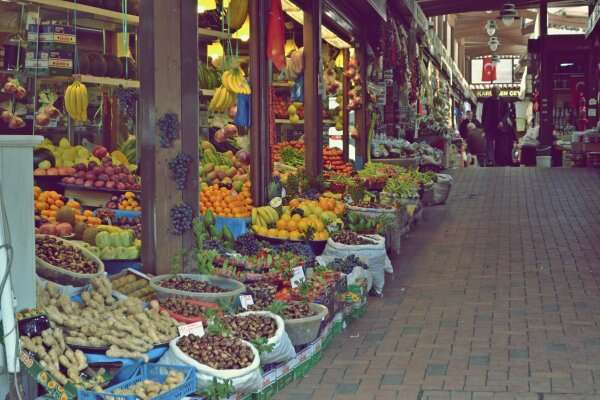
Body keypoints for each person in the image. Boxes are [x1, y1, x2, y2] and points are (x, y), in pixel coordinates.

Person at [481, 86, 509, 166]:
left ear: (499, 93)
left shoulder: (503, 101)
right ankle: (490, 160)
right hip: (489, 125)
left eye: (496, 94)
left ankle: (497, 160)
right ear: (492, 93)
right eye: (493, 94)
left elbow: (506, 113)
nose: (495, 95)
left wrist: (502, 122)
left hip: (499, 126)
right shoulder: (487, 101)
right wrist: (483, 126)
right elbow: (484, 114)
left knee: (499, 143)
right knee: (489, 143)